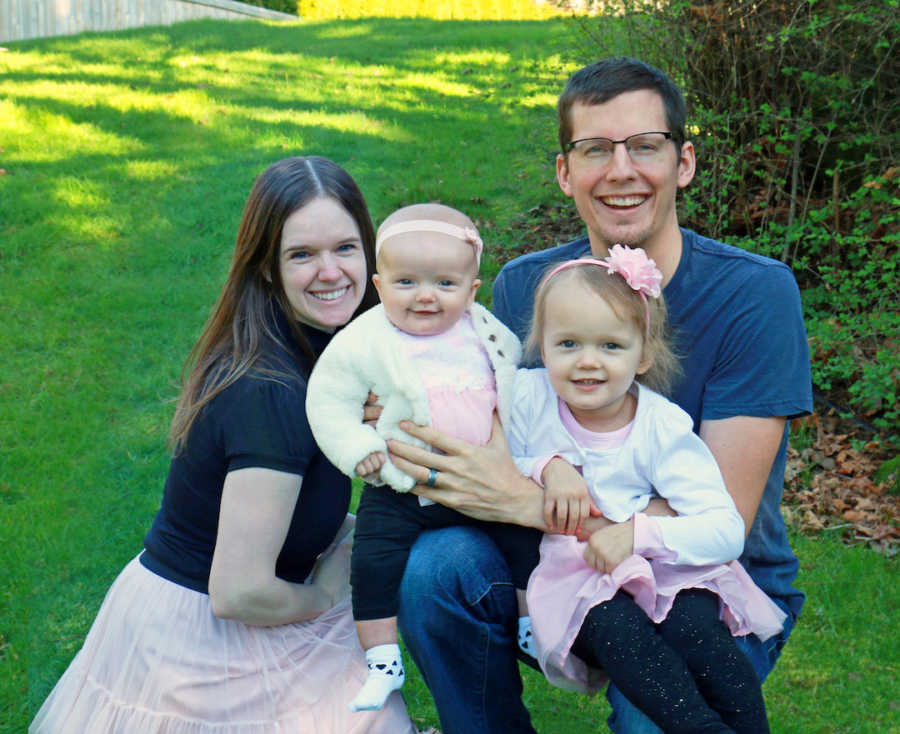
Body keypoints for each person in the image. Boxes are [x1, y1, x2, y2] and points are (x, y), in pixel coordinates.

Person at [385, 57, 813, 734]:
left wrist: (526, 498)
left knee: (656, 719)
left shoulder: (754, 295)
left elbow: (715, 511)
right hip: (569, 566)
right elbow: (504, 433)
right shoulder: (528, 289)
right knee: (433, 572)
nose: (620, 171)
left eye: (645, 146)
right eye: (594, 150)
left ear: (684, 163)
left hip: (707, 575)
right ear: (565, 171)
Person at [29, 156, 416, 734]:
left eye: (345, 247)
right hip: (204, 641)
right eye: (301, 255)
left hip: (229, 603)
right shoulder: (271, 391)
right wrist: (327, 593)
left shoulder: (323, 359)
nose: (330, 272)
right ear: (265, 268)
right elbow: (239, 592)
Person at [509, 250, 786, 733]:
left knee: (696, 631)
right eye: (568, 343)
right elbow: (486, 449)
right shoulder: (529, 398)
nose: (588, 362)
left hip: (662, 567)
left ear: (645, 354)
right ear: (542, 346)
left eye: (612, 346)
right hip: (578, 579)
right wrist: (548, 466)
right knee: (622, 635)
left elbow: (724, 530)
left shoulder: (660, 425)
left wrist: (638, 535)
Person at [305, 203, 540, 713]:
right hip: (402, 484)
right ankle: (383, 660)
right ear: (379, 283)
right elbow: (327, 401)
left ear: (472, 290)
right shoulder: (365, 340)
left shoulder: (486, 331)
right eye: (406, 282)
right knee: (372, 561)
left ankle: (529, 624)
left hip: (485, 480)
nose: (426, 297)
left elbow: (515, 377)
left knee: (525, 541)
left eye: (445, 284)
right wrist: (359, 448)